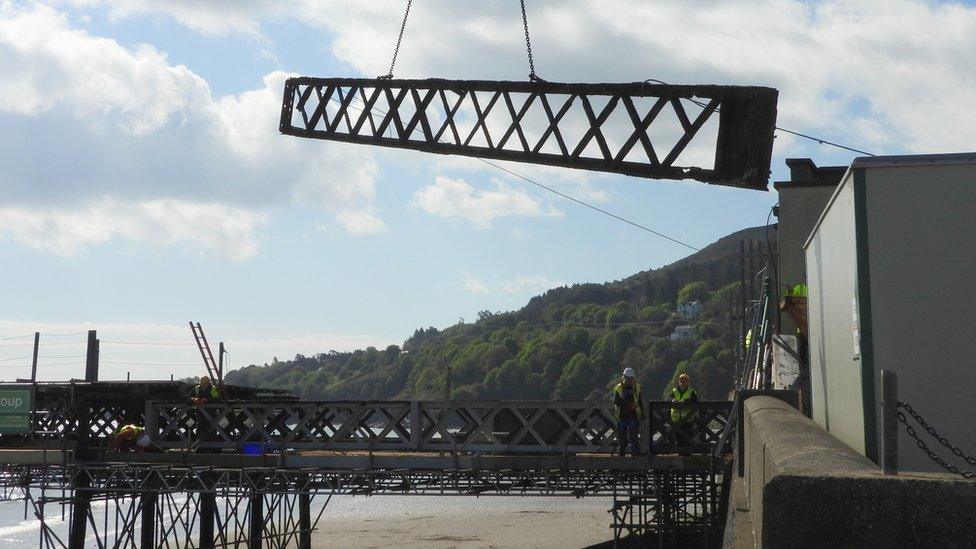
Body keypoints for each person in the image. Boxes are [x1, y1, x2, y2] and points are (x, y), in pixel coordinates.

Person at [612, 367, 644, 457]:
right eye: (629, 379)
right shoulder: (618, 388)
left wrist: (642, 413)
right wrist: (628, 405)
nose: (631, 380)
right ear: (624, 378)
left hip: (633, 416)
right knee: (622, 438)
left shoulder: (637, 387)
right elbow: (616, 401)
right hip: (622, 416)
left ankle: (635, 455)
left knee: (634, 437)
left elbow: (640, 401)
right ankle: (621, 455)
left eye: (632, 379)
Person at [668, 373, 699, 453]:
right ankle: (680, 454)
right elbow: (668, 398)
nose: (682, 382)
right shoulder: (674, 391)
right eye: (681, 380)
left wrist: (685, 401)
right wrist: (672, 400)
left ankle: (687, 454)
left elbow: (695, 400)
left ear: (688, 382)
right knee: (678, 438)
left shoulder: (691, 391)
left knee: (687, 438)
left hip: (687, 420)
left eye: (684, 380)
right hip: (676, 419)